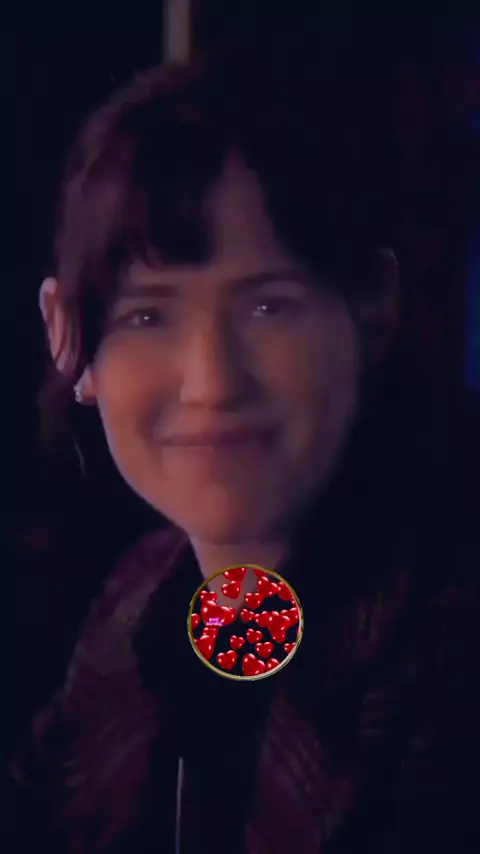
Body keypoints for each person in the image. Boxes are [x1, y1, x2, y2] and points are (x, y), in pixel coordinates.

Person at [10, 28, 480, 854]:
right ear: (67, 340)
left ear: (371, 309)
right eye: (147, 316)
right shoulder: (135, 605)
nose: (212, 382)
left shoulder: (450, 647)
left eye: (268, 307)